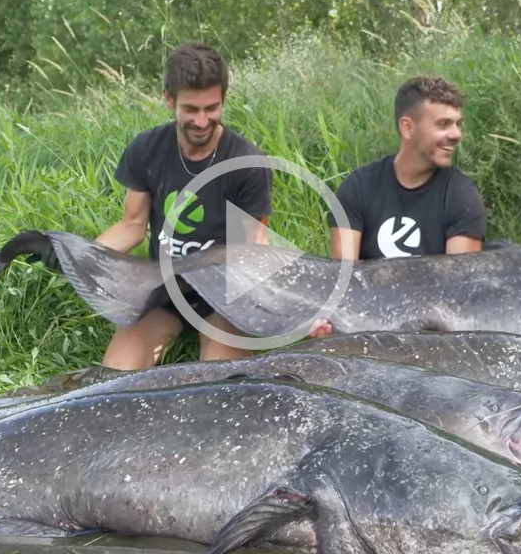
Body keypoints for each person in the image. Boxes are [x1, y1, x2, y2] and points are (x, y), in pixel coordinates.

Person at [92, 41, 274, 370]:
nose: (202, 121)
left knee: (223, 390)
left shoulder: (247, 162)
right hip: (164, 290)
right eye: (191, 109)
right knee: (114, 379)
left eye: (211, 108)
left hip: (222, 295)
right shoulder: (147, 148)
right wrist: (83, 258)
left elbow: (253, 251)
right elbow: (131, 226)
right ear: (169, 99)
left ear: (223, 100)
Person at [309, 75, 488, 338]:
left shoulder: (463, 197)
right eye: (443, 124)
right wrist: (326, 327)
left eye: (458, 124)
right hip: (366, 331)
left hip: (433, 340)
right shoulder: (359, 186)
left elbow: (458, 300)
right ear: (407, 127)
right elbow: (343, 285)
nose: (456, 135)